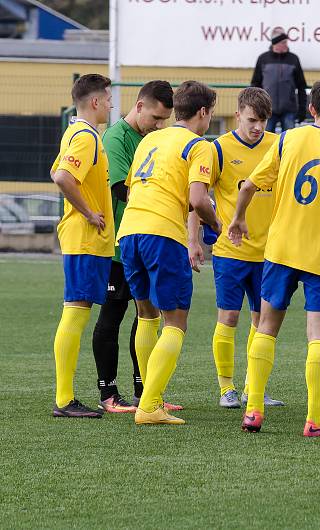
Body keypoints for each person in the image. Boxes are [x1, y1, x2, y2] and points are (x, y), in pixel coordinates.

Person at [229, 78, 320, 437]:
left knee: (266, 327)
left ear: (310, 109)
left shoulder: (288, 138)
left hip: (281, 250)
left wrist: (237, 218)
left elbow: (250, 184)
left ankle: (253, 410)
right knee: (318, 337)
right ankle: (314, 420)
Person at [117, 81, 222, 425]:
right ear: (203, 112)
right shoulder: (198, 145)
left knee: (147, 315)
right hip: (162, 234)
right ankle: (149, 407)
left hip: (130, 231)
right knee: (175, 321)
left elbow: (133, 190)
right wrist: (215, 223)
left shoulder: (151, 139)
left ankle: (151, 398)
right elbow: (197, 199)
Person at [188, 87, 284, 409]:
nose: (258, 127)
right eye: (253, 119)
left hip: (270, 254)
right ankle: (226, 388)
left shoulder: (278, 146)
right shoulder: (218, 149)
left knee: (262, 322)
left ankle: (253, 389)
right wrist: (193, 239)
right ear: (239, 112)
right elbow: (196, 198)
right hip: (231, 251)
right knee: (228, 317)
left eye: (264, 121)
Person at [91, 80, 174, 414]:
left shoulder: (150, 139)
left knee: (147, 316)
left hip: (144, 242)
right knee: (112, 317)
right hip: (119, 244)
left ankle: (146, 391)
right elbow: (122, 189)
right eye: (155, 117)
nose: (158, 125)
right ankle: (108, 393)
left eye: (164, 120)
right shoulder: (116, 138)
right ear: (139, 106)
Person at [50, 74, 114, 418]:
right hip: (84, 238)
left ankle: (65, 397)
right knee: (74, 311)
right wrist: (89, 211)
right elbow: (62, 177)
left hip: (85, 239)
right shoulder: (86, 136)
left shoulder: (77, 133)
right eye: (107, 99)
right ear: (94, 102)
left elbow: (58, 172)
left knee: (76, 310)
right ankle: (64, 399)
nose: (110, 104)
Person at [251, 29, 308, 133]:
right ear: (275, 43)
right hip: (267, 110)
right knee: (267, 140)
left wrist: (302, 111)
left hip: (289, 110)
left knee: (289, 141)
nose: (286, 44)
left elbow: (301, 86)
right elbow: (255, 85)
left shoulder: (294, 59)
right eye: (283, 42)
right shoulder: (263, 59)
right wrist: (256, 107)